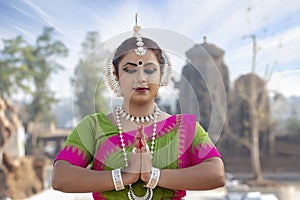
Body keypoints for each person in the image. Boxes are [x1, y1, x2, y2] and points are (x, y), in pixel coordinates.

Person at [52, 16, 225, 200]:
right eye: (130, 69)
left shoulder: (184, 127)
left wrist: (153, 176)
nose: (141, 78)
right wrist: (124, 176)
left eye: (150, 70)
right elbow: (60, 177)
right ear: (115, 74)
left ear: (161, 74)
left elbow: (216, 174)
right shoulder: (94, 126)